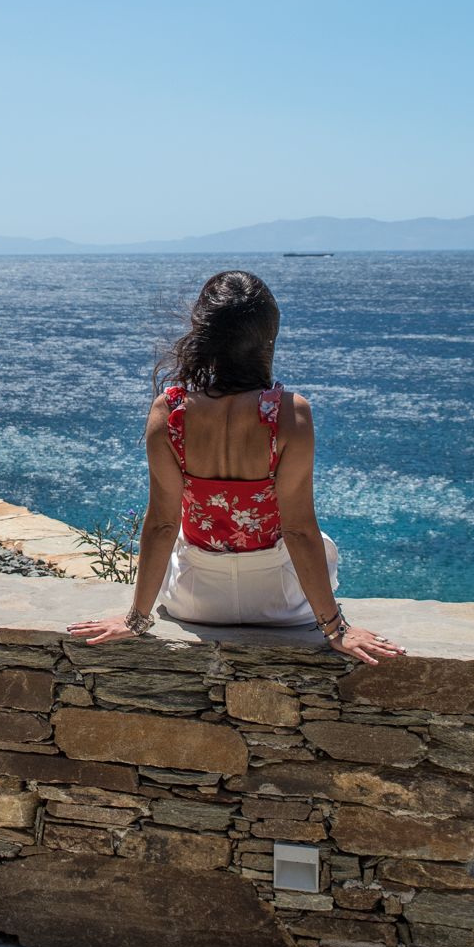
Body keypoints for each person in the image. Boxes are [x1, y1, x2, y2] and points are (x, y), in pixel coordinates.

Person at [69, 270, 403, 664]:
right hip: (280, 605)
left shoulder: (170, 412)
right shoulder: (288, 414)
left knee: (182, 537)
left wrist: (136, 619)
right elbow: (298, 530)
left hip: (196, 602)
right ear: (268, 338)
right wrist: (336, 630)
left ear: (203, 334)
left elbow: (162, 524)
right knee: (324, 543)